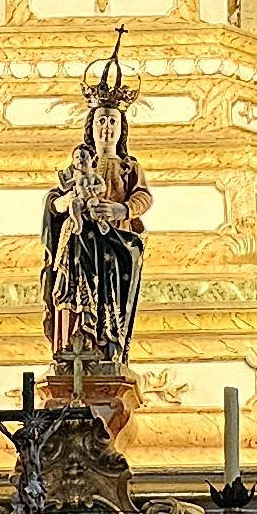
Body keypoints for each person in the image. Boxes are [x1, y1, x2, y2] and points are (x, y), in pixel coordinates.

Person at [42, 42, 151, 373]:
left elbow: (143, 197)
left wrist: (121, 211)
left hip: (115, 246)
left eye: (113, 122)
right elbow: (55, 201)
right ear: (90, 127)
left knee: (110, 293)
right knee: (72, 282)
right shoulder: (77, 168)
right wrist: (65, 203)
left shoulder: (129, 166)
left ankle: (107, 345)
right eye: (101, 121)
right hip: (79, 245)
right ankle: (76, 343)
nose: (106, 128)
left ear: (121, 129)